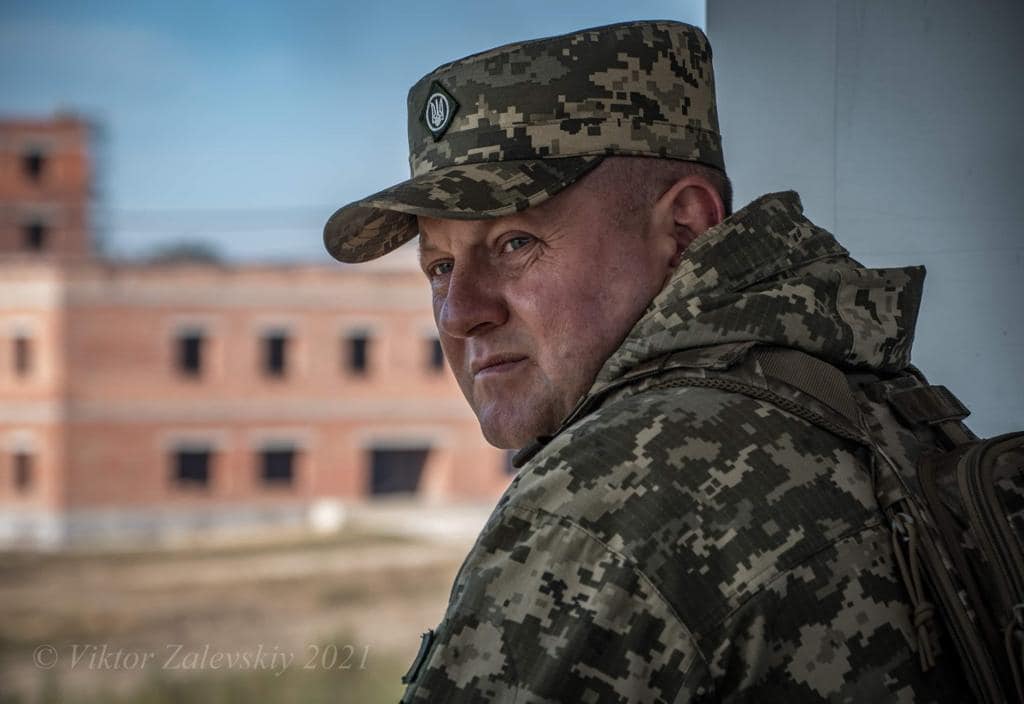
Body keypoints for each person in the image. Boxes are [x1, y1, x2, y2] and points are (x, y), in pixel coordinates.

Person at [323, 20, 972, 703]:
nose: (459, 313)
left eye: (515, 243)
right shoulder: (879, 401)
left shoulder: (607, 492)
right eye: (440, 267)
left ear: (684, 229)